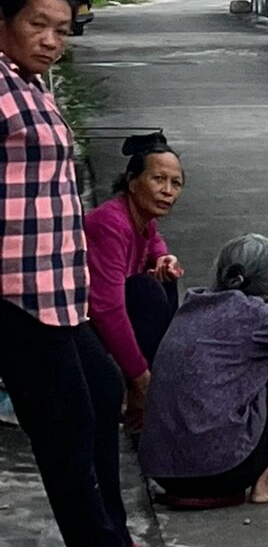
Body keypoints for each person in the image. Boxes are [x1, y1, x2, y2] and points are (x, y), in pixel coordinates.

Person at [0, 0, 191, 547]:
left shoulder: (31, 85)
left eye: (61, 29)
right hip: (15, 294)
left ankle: (115, 540)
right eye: (37, 25)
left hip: (56, 290)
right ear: (4, 21)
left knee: (103, 391)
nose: (52, 40)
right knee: (66, 428)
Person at [141, 233, 268, 506]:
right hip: (221, 471)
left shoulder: (195, 302)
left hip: (166, 473)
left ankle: (260, 474)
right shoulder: (253, 315)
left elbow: (267, 330)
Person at [84, 132, 185, 425]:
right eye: (158, 179)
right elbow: (106, 310)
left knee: (163, 280)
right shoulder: (110, 223)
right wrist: (142, 378)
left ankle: (152, 388)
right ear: (131, 182)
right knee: (145, 290)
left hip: (100, 322)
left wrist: (164, 259)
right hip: (81, 326)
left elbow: (154, 241)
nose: (167, 191)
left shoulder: (142, 217)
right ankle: (142, 393)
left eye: (175, 183)